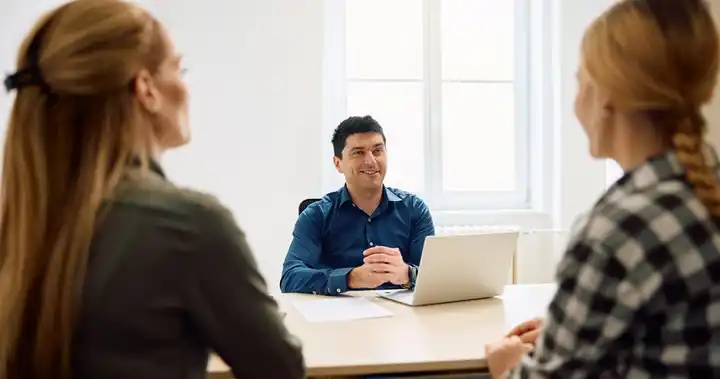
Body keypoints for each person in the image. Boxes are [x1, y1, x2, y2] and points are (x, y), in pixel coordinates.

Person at [0, 1, 304, 379]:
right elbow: (280, 371)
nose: (186, 86)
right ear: (146, 88)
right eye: (180, 68)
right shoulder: (189, 226)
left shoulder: (18, 222)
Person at [485, 0, 720, 377]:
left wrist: (507, 365)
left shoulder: (617, 229)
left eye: (580, 83)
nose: (576, 103)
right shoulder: (702, 187)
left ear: (607, 95)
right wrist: (574, 333)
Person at [280, 115, 435, 295]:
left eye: (378, 151)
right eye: (358, 152)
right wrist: (351, 278)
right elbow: (290, 277)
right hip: (339, 318)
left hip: (402, 317)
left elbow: (435, 275)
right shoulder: (317, 215)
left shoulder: (414, 209)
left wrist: (408, 274)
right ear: (338, 164)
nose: (371, 161)